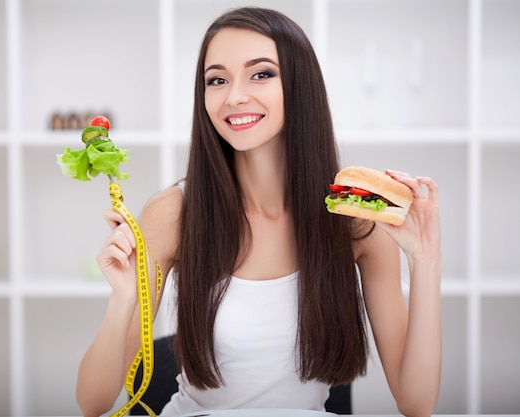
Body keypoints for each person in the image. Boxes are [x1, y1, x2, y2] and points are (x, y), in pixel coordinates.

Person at [76, 7, 442, 417]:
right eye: (217, 80)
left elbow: (417, 403)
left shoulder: (354, 218)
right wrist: (123, 297)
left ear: (300, 86)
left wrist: (426, 262)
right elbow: (93, 403)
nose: (234, 96)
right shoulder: (175, 213)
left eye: (261, 73)